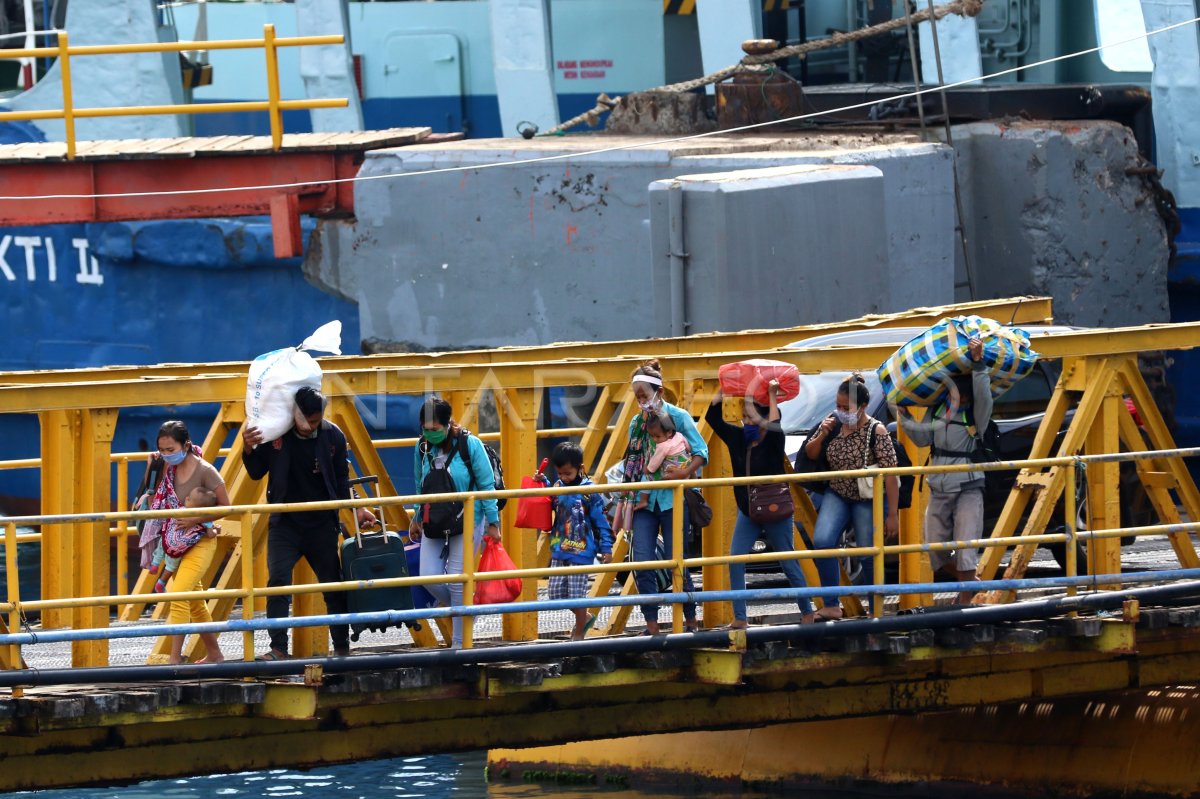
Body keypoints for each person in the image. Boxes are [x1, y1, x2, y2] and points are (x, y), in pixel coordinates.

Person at [242, 386, 376, 661]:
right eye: (307, 420)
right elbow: (256, 471)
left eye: (316, 421)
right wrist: (247, 447)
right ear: (294, 413)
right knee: (278, 583)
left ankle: (341, 647)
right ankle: (278, 647)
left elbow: (341, 479)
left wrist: (359, 507)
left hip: (321, 524)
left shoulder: (332, 436)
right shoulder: (277, 434)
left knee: (333, 585)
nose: (311, 426)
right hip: (285, 524)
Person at [706, 379, 816, 628]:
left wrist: (773, 397)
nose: (746, 420)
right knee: (735, 560)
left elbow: (776, 424)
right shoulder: (738, 438)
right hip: (749, 510)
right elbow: (713, 418)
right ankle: (741, 618)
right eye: (744, 415)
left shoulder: (773, 439)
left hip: (776, 509)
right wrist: (724, 388)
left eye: (751, 415)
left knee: (788, 560)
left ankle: (807, 612)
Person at [895, 337, 991, 603]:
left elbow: (984, 394)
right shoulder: (937, 411)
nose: (952, 400)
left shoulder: (976, 414)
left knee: (965, 545)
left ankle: (964, 597)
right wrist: (903, 416)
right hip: (938, 486)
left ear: (967, 397)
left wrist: (978, 363)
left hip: (968, 487)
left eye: (956, 396)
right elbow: (923, 439)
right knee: (934, 548)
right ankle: (971, 582)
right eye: (949, 396)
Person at [620, 359, 708, 635]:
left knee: (675, 559)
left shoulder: (678, 416)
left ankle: (690, 618)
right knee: (643, 560)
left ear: (658, 391)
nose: (640, 401)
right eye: (636, 396)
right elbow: (632, 458)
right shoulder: (636, 423)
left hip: (674, 499)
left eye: (643, 395)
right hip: (644, 500)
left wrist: (684, 474)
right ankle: (652, 624)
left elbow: (701, 451)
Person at [407, 397, 501, 649]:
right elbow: (419, 485)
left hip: (468, 518)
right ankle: (468, 608)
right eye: (424, 429)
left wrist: (494, 522)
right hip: (433, 519)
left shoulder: (470, 445)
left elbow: (486, 485)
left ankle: (460, 646)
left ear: (448, 424)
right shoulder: (422, 448)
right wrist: (416, 516)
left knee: (458, 581)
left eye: (434, 429)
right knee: (427, 577)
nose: (429, 434)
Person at [804, 374, 899, 619]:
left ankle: (874, 606)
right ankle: (831, 604)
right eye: (838, 405)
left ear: (863, 407)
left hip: (865, 498)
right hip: (838, 492)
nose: (841, 411)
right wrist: (822, 434)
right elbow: (811, 454)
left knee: (867, 552)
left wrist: (892, 515)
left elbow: (891, 474)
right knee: (823, 542)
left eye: (847, 407)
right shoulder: (833, 424)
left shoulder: (876, 431)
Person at [144, 421, 229, 665]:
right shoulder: (166, 468)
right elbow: (151, 494)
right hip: (176, 543)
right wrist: (153, 465)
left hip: (200, 541)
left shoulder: (205, 471)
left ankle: (174, 659)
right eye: (162, 450)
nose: (166, 455)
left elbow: (227, 506)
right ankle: (215, 654)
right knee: (194, 601)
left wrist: (196, 519)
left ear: (187, 445)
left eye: (171, 449)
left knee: (178, 595)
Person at [547, 442, 614, 640]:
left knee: (577, 594)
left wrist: (606, 548)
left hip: (581, 550)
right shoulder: (557, 487)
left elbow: (601, 522)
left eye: (567, 473)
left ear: (580, 468)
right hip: (559, 547)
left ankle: (579, 633)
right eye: (559, 473)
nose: (563, 477)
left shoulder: (589, 492)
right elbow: (546, 504)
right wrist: (542, 482)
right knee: (555, 594)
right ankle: (584, 617)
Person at [149, 486, 219, 594]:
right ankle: (161, 582)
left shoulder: (181, 510)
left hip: (168, 538)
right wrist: (216, 531)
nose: (186, 498)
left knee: (161, 544)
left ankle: (155, 563)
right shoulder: (204, 518)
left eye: (189, 498)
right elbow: (210, 535)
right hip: (179, 545)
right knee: (171, 565)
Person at [635, 411, 692, 511]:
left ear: (669, 432)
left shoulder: (663, 446)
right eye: (652, 436)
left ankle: (643, 501)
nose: (655, 439)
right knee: (687, 460)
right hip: (684, 470)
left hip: (671, 474)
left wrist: (647, 469)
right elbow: (688, 447)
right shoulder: (679, 435)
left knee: (647, 478)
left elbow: (654, 464)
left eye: (657, 436)